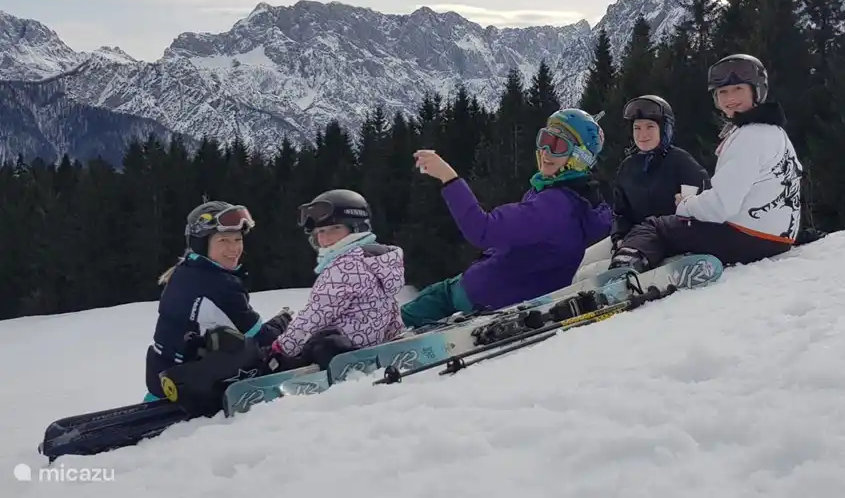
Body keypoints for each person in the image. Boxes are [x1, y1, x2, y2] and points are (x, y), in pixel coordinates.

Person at [402, 108, 613, 328]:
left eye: (558, 145)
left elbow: (481, 229)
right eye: (544, 138)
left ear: (579, 158)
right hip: (499, 287)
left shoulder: (553, 206)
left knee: (410, 313)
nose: (545, 151)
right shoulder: (588, 200)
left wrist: (448, 177)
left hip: (484, 297)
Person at [609, 54, 803, 272]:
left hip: (748, 236)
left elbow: (721, 206)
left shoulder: (749, 137)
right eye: (722, 92)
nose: (730, 98)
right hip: (775, 236)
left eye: (738, 89)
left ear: (757, 89)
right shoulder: (772, 131)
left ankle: (622, 274)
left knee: (655, 227)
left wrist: (687, 204)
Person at [144, 201, 291, 404]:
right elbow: (261, 337)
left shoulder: (184, 271)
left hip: (161, 380)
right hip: (190, 388)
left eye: (238, 239)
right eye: (223, 240)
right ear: (202, 244)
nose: (234, 248)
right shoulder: (221, 285)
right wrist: (285, 321)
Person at [263, 189, 406, 370]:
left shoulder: (345, 266)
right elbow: (389, 306)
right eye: (320, 231)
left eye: (335, 228)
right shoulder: (375, 260)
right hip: (368, 347)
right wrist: (395, 338)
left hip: (339, 352)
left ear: (356, 227)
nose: (325, 238)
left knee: (309, 347)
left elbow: (315, 315)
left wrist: (282, 347)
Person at [574, 95, 711, 281]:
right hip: (632, 236)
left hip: (665, 239)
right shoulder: (629, 166)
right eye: (636, 128)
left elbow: (703, 203)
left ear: (665, 130)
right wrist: (619, 236)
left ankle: (608, 284)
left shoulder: (680, 161)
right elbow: (621, 212)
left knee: (587, 275)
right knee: (580, 262)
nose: (642, 134)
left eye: (650, 127)